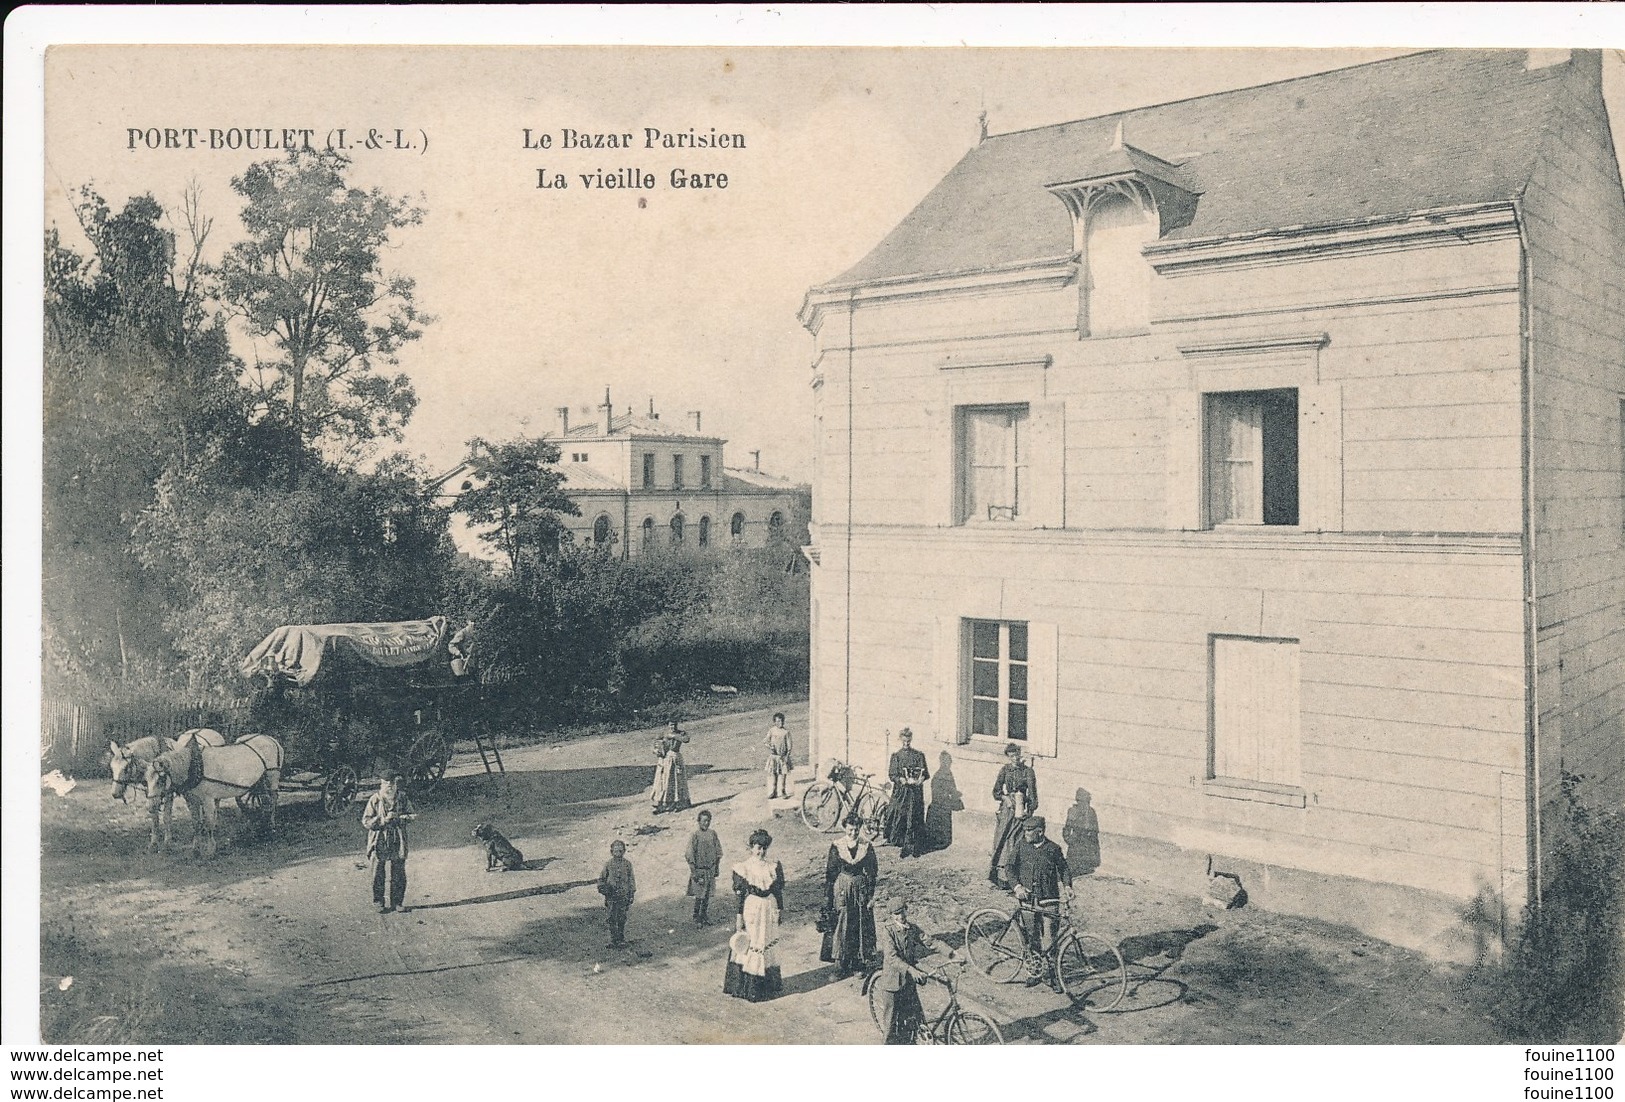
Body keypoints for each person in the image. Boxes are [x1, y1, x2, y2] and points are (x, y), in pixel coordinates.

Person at [1003, 816, 1073, 993]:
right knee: (1031, 935)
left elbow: (1063, 868)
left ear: (1040, 832)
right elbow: (1009, 867)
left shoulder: (1053, 849)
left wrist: (1067, 886)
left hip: (1049, 900)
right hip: (1027, 900)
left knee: (1050, 940)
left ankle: (1053, 975)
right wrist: (1017, 887)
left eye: (1029, 831)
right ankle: (1035, 971)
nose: (1025, 833)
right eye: (1025, 830)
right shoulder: (1021, 846)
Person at [723, 829, 785, 1002]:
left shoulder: (772, 867)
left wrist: (779, 910)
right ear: (751, 848)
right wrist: (738, 917)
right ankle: (749, 987)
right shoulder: (744, 868)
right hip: (752, 908)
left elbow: (778, 891)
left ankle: (767, 985)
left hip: (769, 907)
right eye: (758, 847)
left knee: (766, 941)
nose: (761, 852)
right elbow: (740, 896)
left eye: (764, 848)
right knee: (752, 943)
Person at [819, 816, 878, 977]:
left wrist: (870, 895)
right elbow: (831, 874)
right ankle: (840, 965)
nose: (853, 832)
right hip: (842, 887)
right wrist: (828, 898)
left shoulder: (866, 846)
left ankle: (857, 963)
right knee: (842, 923)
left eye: (856, 829)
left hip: (860, 888)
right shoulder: (837, 846)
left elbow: (872, 872)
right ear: (845, 828)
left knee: (859, 922)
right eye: (850, 829)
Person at [873, 897, 930, 1045]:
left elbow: (930, 942)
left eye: (903, 912)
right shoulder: (888, 931)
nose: (901, 917)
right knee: (891, 1026)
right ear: (891, 916)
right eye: (897, 914)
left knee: (915, 1019)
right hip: (892, 983)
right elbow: (892, 958)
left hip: (908, 981)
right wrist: (912, 969)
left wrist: (952, 954)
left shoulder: (912, 929)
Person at [363, 773, 416, 914]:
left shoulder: (402, 798)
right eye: (386, 784)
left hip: (397, 838)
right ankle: (378, 901)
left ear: (396, 785)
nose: (389, 787)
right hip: (379, 838)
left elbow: (412, 815)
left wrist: (399, 818)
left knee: (398, 871)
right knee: (378, 872)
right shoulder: (375, 800)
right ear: (381, 785)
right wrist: (382, 820)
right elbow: (366, 821)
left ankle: (397, 902)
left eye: (392, 784)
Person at [989, 742, 1038, 885]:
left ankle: (1016, 878)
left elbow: (1033, 796)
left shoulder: (1028, 772)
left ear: (1020, 755)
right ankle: (1001, 877)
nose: (1015, 758)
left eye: (1016, 755)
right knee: (1003, 839)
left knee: (1018, 840)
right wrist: (1005, 798)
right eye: (1011, 756)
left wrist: (1028, 812)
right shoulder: (1005, 770)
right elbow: (996, 791)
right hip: (1007, 809)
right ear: (1008, 757)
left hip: (1021, 809)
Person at [884, 728, 930, 858]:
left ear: (911, 740)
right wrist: (901, 779)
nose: (906, 743)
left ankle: (915, 847)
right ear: (900, 740)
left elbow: (924, 773)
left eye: (908, 741)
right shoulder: (897, 756)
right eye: (904, 741)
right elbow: (892, 774)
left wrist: (920, 779)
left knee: (914, 817)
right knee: (901, 816)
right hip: (902, 792)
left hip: (915, 793)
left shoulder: (918, 755)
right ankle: (902, 845)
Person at [684, 810, 724, 926]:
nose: (706, 823)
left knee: (707, 895)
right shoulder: (695, 835)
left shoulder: (713, 834)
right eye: (704, 821)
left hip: (710, 870)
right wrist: (694, 872)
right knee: (699, 896)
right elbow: (689, 855)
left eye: (708, 821)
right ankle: (697, 917)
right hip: (699, 870)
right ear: (698, 821)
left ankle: (704, 915)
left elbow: (718, 852)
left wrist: (717, 868)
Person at [598, 839, 636, 948]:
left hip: (623, 895)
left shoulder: (628, 864)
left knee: (622, 917)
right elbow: (601, 879)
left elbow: (631, 880)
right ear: (611, 852)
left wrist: (631, 894)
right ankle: (613, 940)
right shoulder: (608, 865)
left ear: (624, 851)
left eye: (620, 851)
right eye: (616, 851)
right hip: (611, 896)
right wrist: (604, 889)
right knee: (611, 918)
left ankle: (621, 938)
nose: (618, 853)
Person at [650, 720, 692, 813]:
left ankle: (679, 803)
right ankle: (661, 804)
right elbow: (655, 744)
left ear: (677, 725)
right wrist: (656, 750)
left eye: (674, 725)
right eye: (671, 725)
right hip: (664, 759)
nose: (672, 727)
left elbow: (686, 739)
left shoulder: (681, 733)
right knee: (662, 782)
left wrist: (673, 736)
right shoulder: (664, 733)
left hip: (675, 758)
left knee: (676, 781)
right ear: (668, 725)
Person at [764, 712, 793, 799]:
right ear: (775, 722)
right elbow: (765, 741)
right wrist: (770, 746)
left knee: (783, 774)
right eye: (778, 721)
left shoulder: (786, 732)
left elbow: (789, 746)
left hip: (783, 757)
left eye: (782, 721)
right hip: (774, 757)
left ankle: (783, 791)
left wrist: (787, 755)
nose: (780, 723)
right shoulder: (772, 731)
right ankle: (774, 791)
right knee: (774, 774)